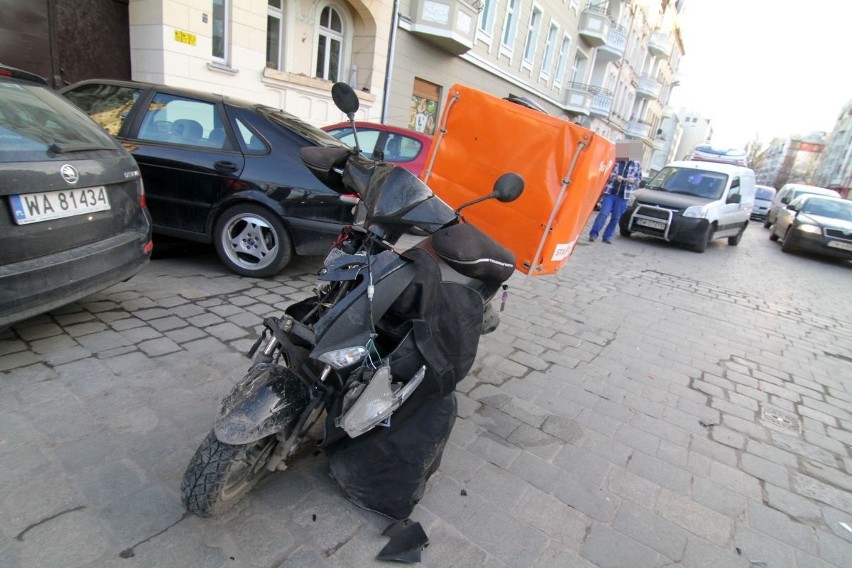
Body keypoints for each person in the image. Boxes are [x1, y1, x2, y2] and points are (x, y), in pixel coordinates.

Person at [589, 154, 643, 244]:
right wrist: (615, 177)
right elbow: (606, 173)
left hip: (623, 196)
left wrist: (632, 181)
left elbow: (639, 180)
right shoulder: (616, 161)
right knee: (603, 213)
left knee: (615, 217)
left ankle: (607, 237)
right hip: (610, 192)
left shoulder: (637, 164)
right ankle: (593, 234)